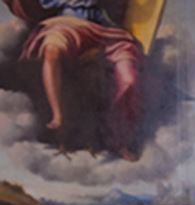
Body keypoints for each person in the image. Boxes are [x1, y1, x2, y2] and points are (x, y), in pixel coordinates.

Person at [5, 0, 144, 160]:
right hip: (67, 24)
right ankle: (57, 115)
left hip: (104, 31)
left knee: (128, 78)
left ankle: (120, 138)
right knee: (52, 52)